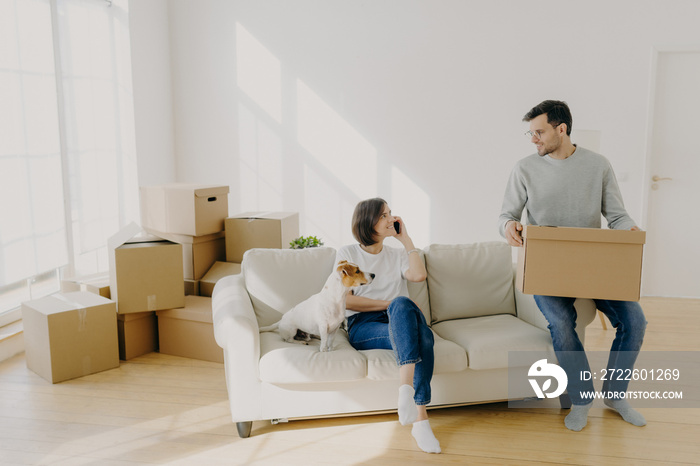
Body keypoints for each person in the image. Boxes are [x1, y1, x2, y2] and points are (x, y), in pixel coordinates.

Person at [498, 100, 648, 431]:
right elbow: (506, 216)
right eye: (531, 133)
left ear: (561, 129)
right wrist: (509, 227)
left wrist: (629, 229)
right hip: (546, 270)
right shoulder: (524, 169)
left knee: (635, 321)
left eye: (539, 132)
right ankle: (581, 398)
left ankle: (615, 394)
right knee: (562, 323)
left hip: (594, 267)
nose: (533, 139)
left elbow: (618, 215)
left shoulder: (597, 165)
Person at [336, 198, 440, 454]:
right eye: (384, 215)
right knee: (417, 329)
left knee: (403, 306)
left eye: (390, 214)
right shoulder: (348, 253)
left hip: (400, 319)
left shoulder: (396, 254)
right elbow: (346, 299)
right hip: (364, 325)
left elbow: (418, 276)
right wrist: (387, 303)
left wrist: (406, 240)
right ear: (368, 220)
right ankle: (421, 419)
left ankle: (408, 394)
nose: (391, 219)